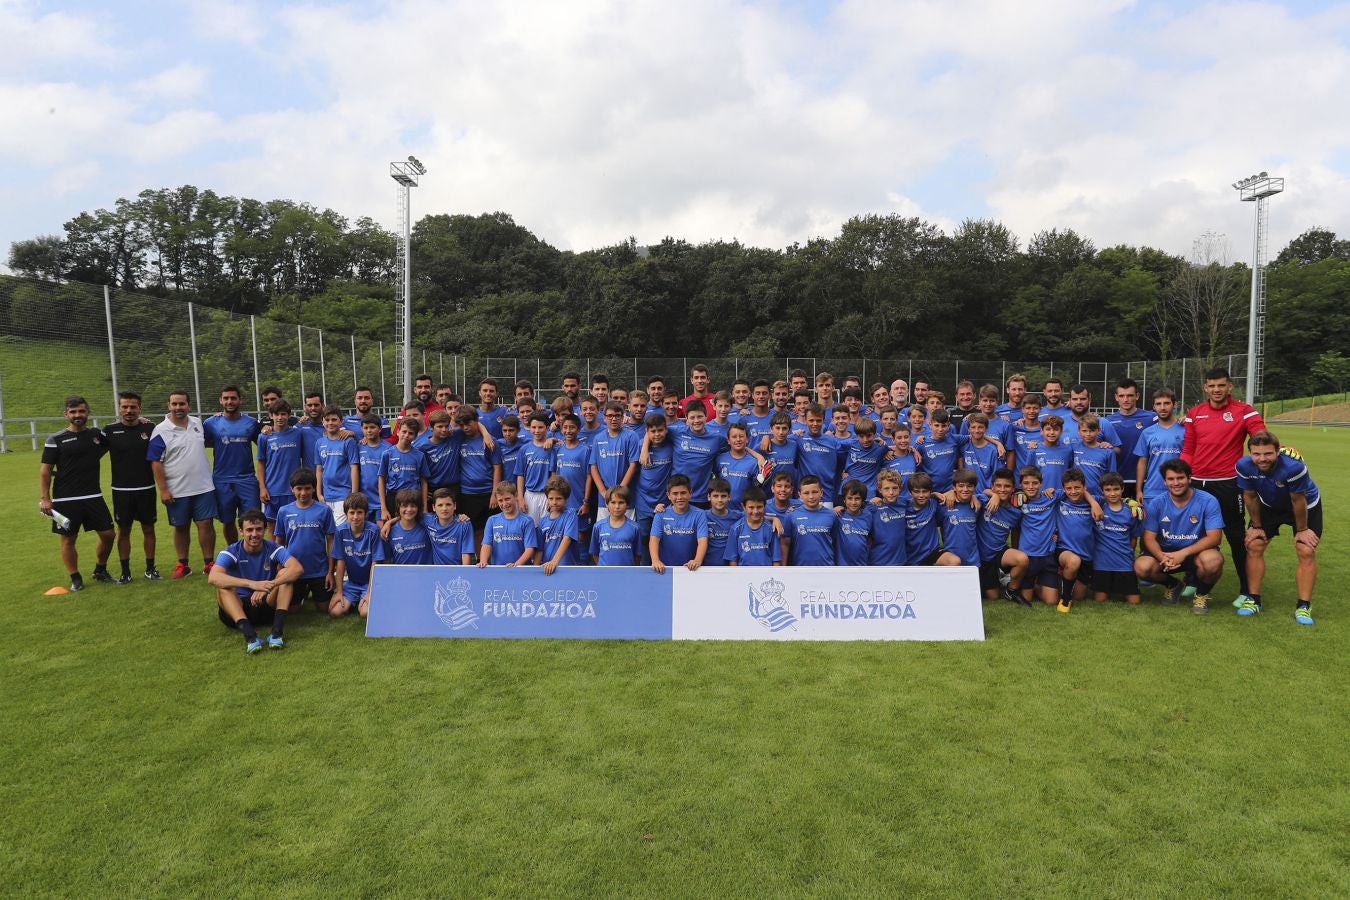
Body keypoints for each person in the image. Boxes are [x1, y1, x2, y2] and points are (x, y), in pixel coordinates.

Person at [1181, 367, 1268, 605]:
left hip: (1229, 484)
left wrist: (1262, 452)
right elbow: (1188, 449)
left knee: (1236, 536)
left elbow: (1260, 437)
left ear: (1230, 386)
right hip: (1197, 483)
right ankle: (1193, 581)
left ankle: (1246, 590)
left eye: (1221, 385)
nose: (1216, 390)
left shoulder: (1245, 412)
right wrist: (1183, 476)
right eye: (1212, 386)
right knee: (1194, 533)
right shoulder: (1194, 413)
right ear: (1205, 388)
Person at [1237, 432, 1321, 624]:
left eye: (1268, 454)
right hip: (1269, 505)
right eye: (1256, 454)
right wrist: (1256, 526)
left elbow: (1297, 500)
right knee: (1254, 545)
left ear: (1278, 451)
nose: (1262, 459)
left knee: (1305, 549)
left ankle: (1303, 607)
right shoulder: (1243, 465)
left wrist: (1302, 530)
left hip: (1304, 505)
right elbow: (1249, 496)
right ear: (1249, 452)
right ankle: (1254, 600)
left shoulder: (1293, 467)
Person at [39, 395, 115, 590]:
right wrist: (45, 499)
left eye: (81, 411)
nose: (77, 415)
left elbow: (110, 443)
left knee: (108, 535)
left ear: (88, 412)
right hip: (65, 499)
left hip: (93, 496)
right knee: (69, 539)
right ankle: (75, 578)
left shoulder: (97, 435)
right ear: (66, 414)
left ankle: (100, 569)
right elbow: (46, 471)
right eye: (73, 412)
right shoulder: (55, 439)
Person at [1135, 460, 1225, 615]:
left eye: (1180, 478)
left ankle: (1201, 595)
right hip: (1166, 553)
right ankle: (1173, 585)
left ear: (1189, 478)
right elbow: (1149, 537)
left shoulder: (1208, 500)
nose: (1176, 483)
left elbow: (1215, 537)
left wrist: (1182, 553)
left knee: (1213, 561)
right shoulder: (1157, 503)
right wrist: (1161, 556)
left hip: (1196, 552)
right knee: (1142, 567)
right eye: (1171, 479)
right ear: (1165, 481)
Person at [209, 509, 304, 653]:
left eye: (259, 529)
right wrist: (252, 584)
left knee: (285, 575)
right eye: (249, 530)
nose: (254, 534)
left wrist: (267, 586)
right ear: (241, 531)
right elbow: (213, 577)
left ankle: (276, 633)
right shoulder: (231, 551)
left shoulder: (272, 548)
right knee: (223, 586)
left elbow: (297, 569)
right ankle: (250, 637)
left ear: (265, 530)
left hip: (266, 605)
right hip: (239, 609)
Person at [149, 391, 218, 579]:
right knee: (181, 527)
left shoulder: (198, 424)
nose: (178, 408)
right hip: (177, 490)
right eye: (174, 404)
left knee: (206, 524)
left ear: (189, 405)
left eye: (182, 404)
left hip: (204, 486)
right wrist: (163, 489)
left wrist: (218, 415)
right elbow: (155, 461)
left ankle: (209, 563)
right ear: (168, 405)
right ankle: (183, 564)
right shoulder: (161, 430)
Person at [102, 391, 159, 583]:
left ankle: (150, 569)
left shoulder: (150, 428)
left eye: (133, 407)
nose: (129, 410)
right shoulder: (109, 431)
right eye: (125, 406)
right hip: (121, 491)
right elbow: (89, 451)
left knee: (148, 529)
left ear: (140, 409)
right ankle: (125, 572)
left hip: (147, 488)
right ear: (119, 408)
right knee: (124, 531)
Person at [202, 385, 262, 544]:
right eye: (226, 398)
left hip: (247, 480)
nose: (230, 401)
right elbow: (202, 442)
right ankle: (234, 551)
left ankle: (251, 552)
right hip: (222, 480)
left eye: (233, 398)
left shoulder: (251, 423)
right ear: (221, 400)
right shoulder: (210, 423)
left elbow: (263, 443)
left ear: (240, 400)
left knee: (252, 520)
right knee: (227, 521)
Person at [274, 468, 336, 614]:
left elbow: (331, 541)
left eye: (307, 488)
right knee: (293, 611)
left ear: (314, 488)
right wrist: (279, 568)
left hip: (319, 570)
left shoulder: (324, 510)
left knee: (325, 609)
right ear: (292, 489)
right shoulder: (284, 511)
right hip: (294, 570)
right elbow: (279, 542)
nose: (303, 493)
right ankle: (301, 593)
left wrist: (330, 571)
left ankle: (315, 590)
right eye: (299, 489)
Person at [1091, 472, 1143, 605]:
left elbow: (1133, 539)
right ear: (1102, 491)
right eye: (1107, 490)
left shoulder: (1132, 511)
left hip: (1124, 563)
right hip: (1102, 564)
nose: (1112, 493)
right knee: (1100, 600)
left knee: (1135, 601)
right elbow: (1082, 494)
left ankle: (1121, 586)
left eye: (1116, 489)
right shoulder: (1098, 507)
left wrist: (1127, 554)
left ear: (1123, 489)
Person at [255, 400, 305, 536]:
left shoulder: (298, 434)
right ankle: (274, 557)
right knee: (273, 529)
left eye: (283, 414)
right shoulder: (264, 437)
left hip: (294, 490)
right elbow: (261, 463)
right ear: (270, 416)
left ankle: (292, 556)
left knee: (295, 527)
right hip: (273, 491)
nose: (280, 418)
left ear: (289, 416)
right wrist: (262, 488)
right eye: (276, 414)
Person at [329, 492, 382, 619]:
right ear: (346, 514)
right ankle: (352, 601)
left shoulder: (374, 531)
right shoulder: (341, 531)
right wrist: (339, 592)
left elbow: (376, 563)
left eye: (359, 512)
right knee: (335, 612)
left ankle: (362, 601)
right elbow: (340, 562)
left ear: (366, 513)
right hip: (352, 583)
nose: (355, 517)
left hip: (369, 583)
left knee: (365, 613)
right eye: (352, 513)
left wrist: (369, 592)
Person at [1134, 387, 1185, 508]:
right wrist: (1139, 490)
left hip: (1179, 489)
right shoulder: (1147, 433)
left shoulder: (1186, 430)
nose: (1162, 407)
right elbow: (1142, 462)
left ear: (1174, 404)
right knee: (1150, 526)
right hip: (1153, 490)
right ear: (1154, 407)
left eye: (1167, 403)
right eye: (1158, 404)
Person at [650, 474, 709, 573]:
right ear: (668, 495)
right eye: (675, 493)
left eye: (683, 493)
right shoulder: (660, 515)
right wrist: (655, 560)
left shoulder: (700, 514)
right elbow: (654, 540)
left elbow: (703, 540)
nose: (679, 497)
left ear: (690, 493)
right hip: (665, 569)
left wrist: (697, 560)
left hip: (691, 569)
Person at [1106, 378, 1154, 498]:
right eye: (1121, 396)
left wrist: (1183, 421)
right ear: (1116, 397)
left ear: (1137, 396)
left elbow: (1170, 424)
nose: (1125, 399)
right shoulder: (1107, 422)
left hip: (1145, 481)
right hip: (1117, 481)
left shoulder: (1152, 418)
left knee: (1143, 516)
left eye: (1130, 395)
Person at [314, 404, 359, 526]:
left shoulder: (348, 441)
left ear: (341, 421)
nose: (330, 423)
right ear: (322, 421)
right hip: (326, 496)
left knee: (340, 531)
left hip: (344, 495)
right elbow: (319, 469)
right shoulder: (319, 443)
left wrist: (353, 494)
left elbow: (354, 467)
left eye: (334, 420)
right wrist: (319, 493)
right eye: (327, 420)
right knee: (329, 533)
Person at [478, 482, 537, 567]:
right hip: (498, 571)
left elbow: (530, 549)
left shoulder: (527, 521)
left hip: (520, 571)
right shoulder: (492, 520)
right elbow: (487, 544)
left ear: (516, 496)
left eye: (507, 499)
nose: (504, 504)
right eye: (500, 500)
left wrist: (516, 565)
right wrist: (483, 561)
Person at [725, 486, 783, 566]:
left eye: (759, 507)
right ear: (744, 507)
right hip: (744, 576)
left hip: (766, 576)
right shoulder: (736, 529)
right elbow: (733, 560)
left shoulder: (771, 529)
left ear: (765, 506)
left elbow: (776, 560)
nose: (755, 511)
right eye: (751, 507)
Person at [538, 477, 581, 573]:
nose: (554, 502)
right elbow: (540, 549)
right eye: (551, 498)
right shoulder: (543, 521)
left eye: (558, 498)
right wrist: (536, 569)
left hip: (567, 569)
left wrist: (554, 561)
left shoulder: (571, 514)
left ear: (566, 499)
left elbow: (567, 539)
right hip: (547, 568)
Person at [591, 486, 642, 566]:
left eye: (621, 502)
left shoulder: (635, 528)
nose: (617, 506)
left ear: (627, 504)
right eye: (613, 502)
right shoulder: (598, 527)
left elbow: (637, 555)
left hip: (627, 574)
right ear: (607, 504)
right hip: (605, 575)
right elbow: (595, 553)